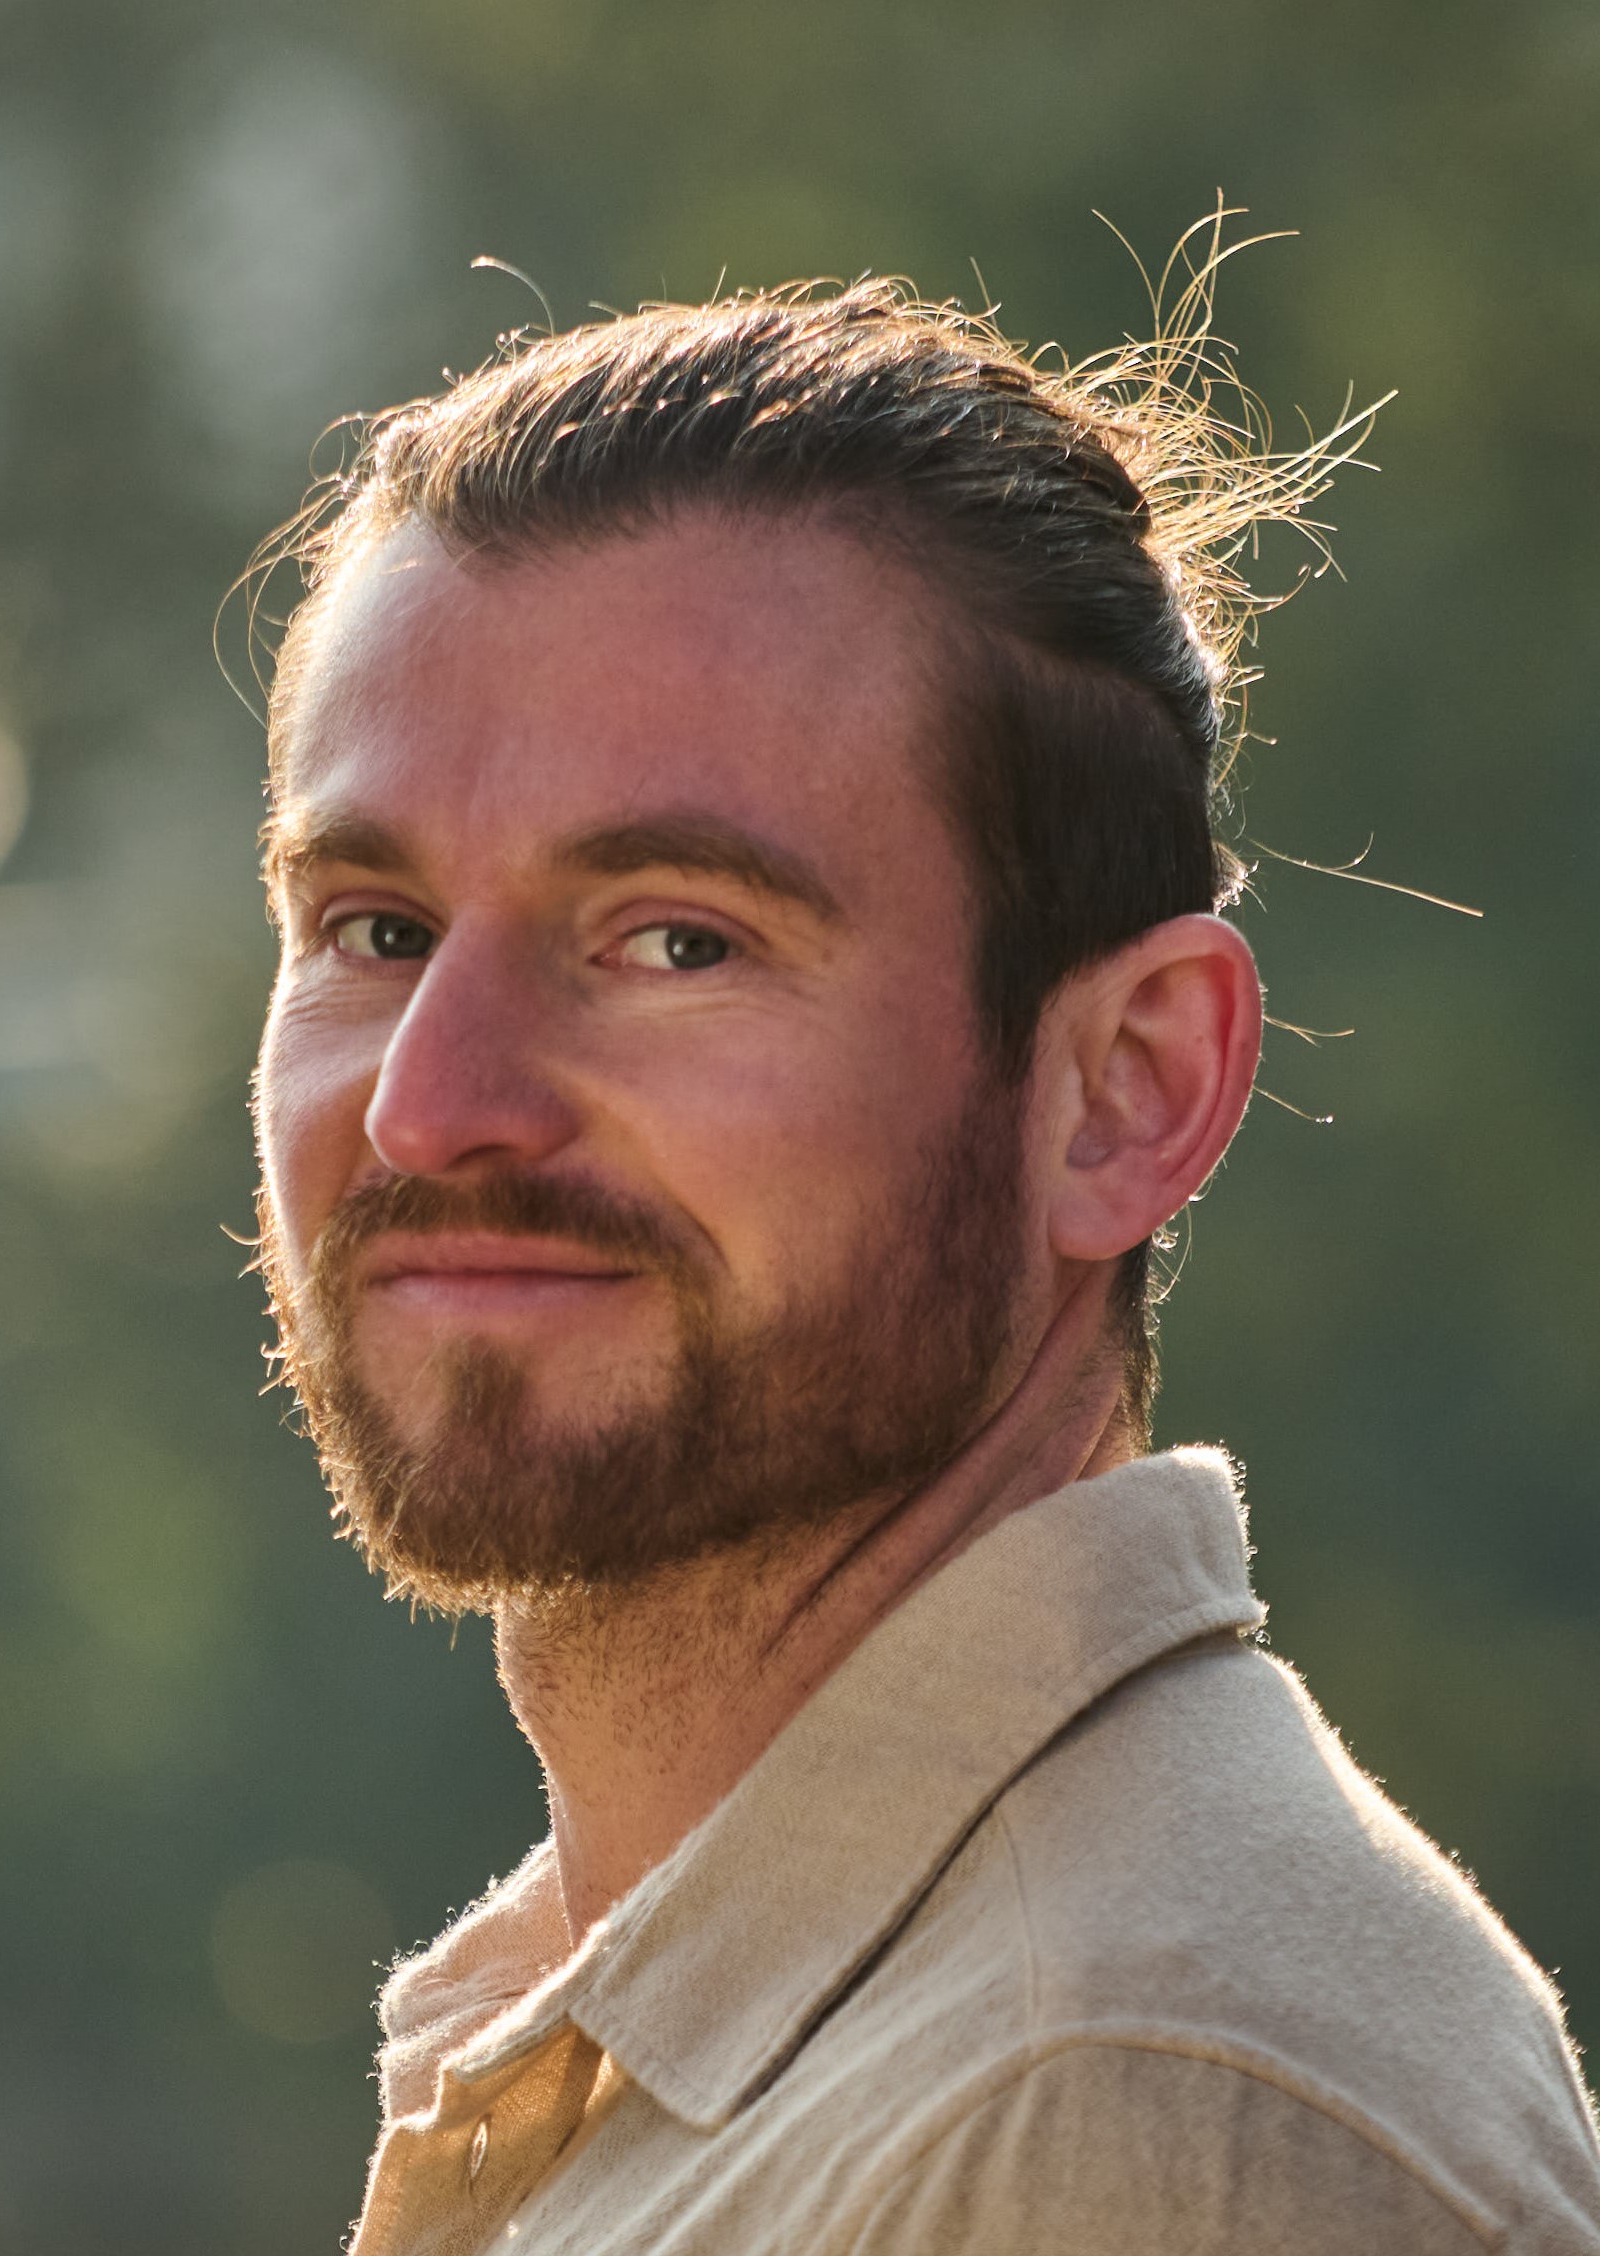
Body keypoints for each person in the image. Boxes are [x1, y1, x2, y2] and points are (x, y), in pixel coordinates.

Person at [247, 271, 1600, 2253]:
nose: (430, 1106)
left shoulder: (1121, 2111)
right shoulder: (775, 2046)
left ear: (1126, 1091)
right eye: (375, 931)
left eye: (676, 939)